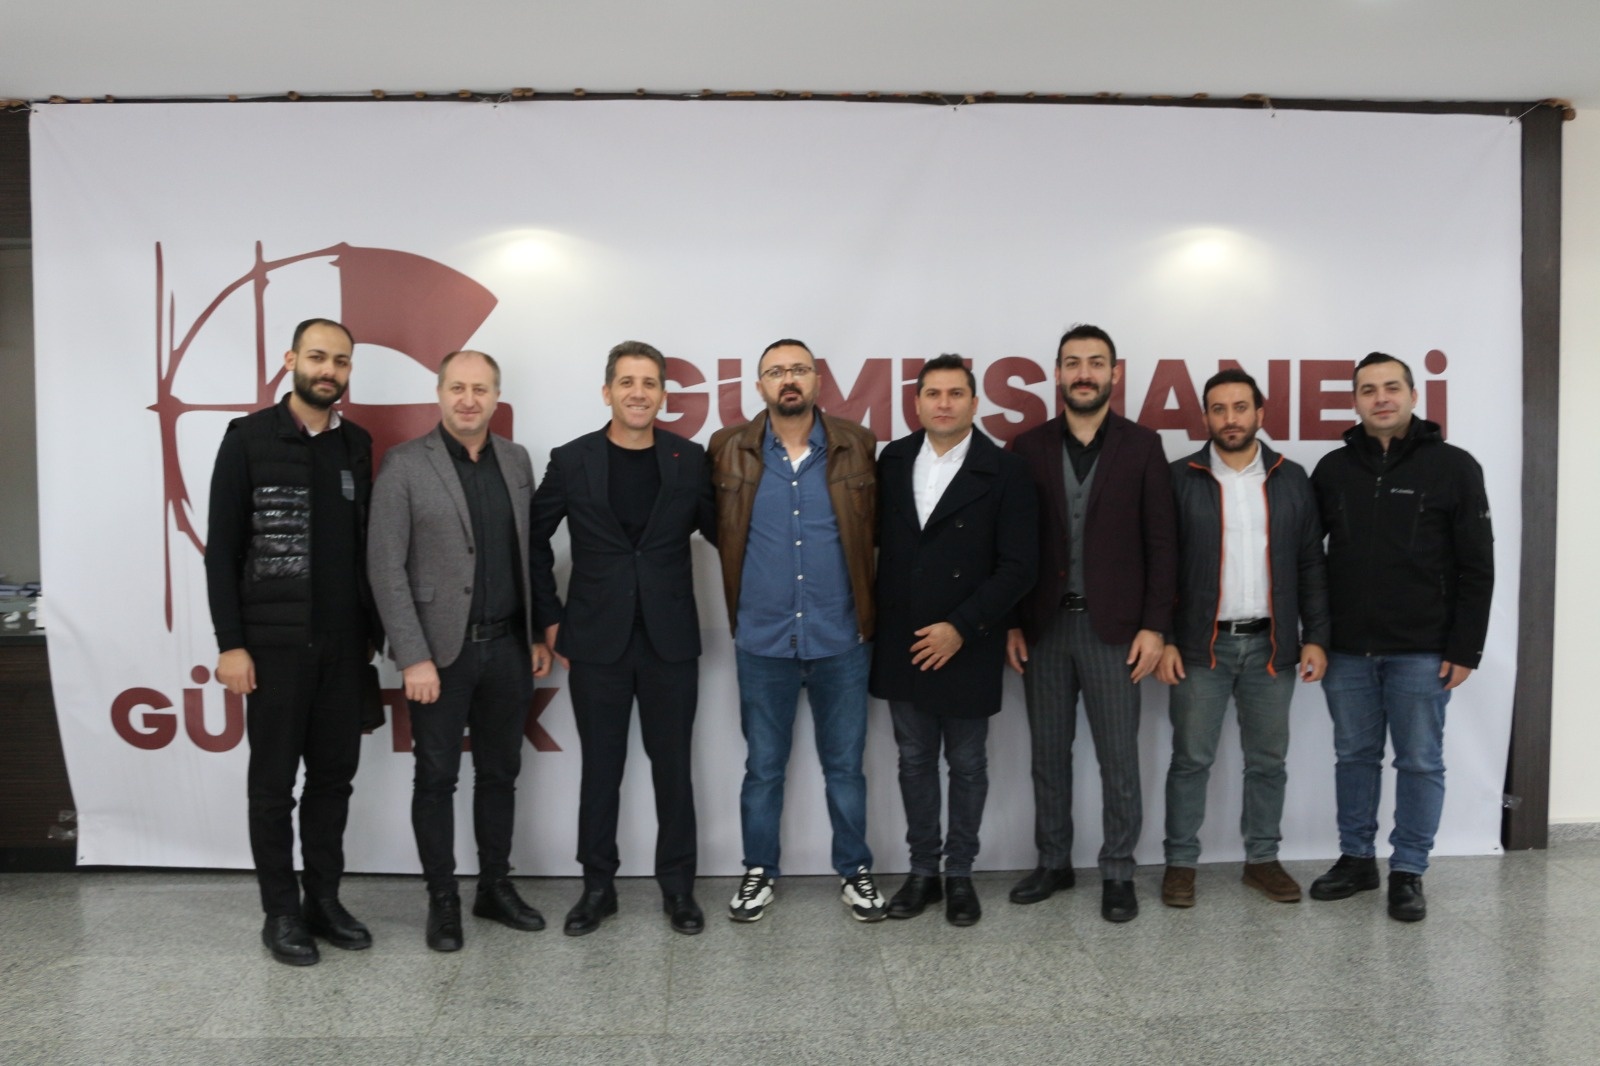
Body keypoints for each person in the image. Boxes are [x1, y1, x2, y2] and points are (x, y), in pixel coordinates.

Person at [206, 317, 383, 966]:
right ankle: (280, 912)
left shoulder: (356, 444)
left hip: (345, 647)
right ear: (290, 361)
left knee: (333, 781)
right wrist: (231, 644)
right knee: (274, 786)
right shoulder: (248, 439)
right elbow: (222, 549)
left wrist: (371, 633)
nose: (328, 370)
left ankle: (323, 902)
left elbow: (364, 545)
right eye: (317, 357)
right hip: (273, 648)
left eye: (340, 360)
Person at [528, 341, 716, 937]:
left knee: (674, 770)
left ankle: (678, 889)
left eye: (649, 383)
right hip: (595, 641)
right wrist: (549, 618)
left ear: (663, 395)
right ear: (607, 392)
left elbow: (726, 533)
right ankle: (597, 889)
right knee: (601, 770)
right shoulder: (571, 459)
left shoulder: (690, 458)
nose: (639, 393)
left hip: (670, 640)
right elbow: (531, 540)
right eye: (627, 382)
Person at [367, 349, 553, 951]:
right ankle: (443, 899)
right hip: (438, 657)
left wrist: (532, 634)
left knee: (500, 775)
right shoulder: (404, 464)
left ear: (496, 397)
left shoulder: (516, 460)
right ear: (440, 393)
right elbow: (385, 568)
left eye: (480, 389)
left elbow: (525, 554)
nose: (468, 399)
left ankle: (494, 887)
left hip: (507, 648)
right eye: (457, 388)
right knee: (436, 779)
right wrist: (412, 656)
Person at [1308, 352, 1493, 922]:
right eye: (1368, 390)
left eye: (1392, 387)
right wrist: (1314, 635)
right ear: (1355, 401)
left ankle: (1409, 870)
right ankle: (1357, 859)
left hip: (1423, 650)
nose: (1380, 398)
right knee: (1354, 757)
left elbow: (1477, 565)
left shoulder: (1454, 467)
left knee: (1419, 762)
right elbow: (1309, 561)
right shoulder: (1332, 470)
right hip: (1347, 650)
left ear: (1414, 396)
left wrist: (1465, 648)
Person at [708, 338, 885, 923]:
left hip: (841, 639)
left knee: (846, 767)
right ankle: (758, 870)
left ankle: (855, 870)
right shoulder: (727, 449)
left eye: (799, 370)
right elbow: (717, 528)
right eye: (776, 371)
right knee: (763, 768)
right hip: (762, 640)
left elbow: (874, 531)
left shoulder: (857, 445)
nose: (789, 379)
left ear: (816, 380)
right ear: (759, 385)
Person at [1007, 324, 1177, 923]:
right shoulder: (1026, 447)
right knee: (1048, 756)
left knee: (1118, 758)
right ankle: (1054, 861)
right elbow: (1012, 545)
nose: (1085, 373)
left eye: (1096, 363)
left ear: (1114, 373)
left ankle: (1118, 870)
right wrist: (1012, 622)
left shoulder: (1143, 446)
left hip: (1117, 633)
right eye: (1073, 363)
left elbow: (1163, 543)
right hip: (1045, 629)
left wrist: (1155, 627)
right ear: (1057, 373)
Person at [869, 354, 1037, 926]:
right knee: (914, 760)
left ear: (974, 402)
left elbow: (1019, 566)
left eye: (955, 393)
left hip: (969, 638)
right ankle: (923, 873)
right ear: (917, 402)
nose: (944, 403)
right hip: (904, 638)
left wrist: (961, 628)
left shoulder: (1005, 470)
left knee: (966, 764)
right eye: (933, 394)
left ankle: (960, 873)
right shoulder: (892, 460)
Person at [1157, 368, 1330, 908]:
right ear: (1205, 417)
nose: (1229, 418)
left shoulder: (1290, 478)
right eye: (1218, 409)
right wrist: (1164, 637)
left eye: (1239, 407)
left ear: (1260, 412)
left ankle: (1262, 860)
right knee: (1191, 760)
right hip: (1199, 648)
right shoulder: (1179, 478)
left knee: (1268, 762)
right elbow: (1161, 566)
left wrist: (1316, 636)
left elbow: (1311, 563)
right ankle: (1180, 864)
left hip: (1272, 648)